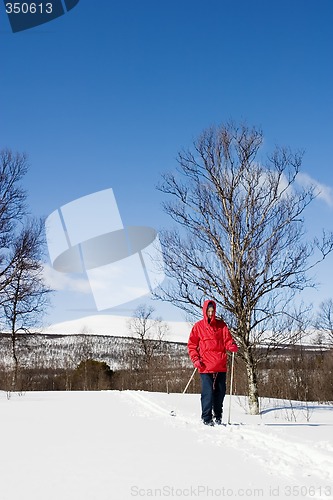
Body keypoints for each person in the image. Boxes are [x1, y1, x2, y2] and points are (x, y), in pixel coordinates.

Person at [187, 299, 238, 426]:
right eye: (208, 311)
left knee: (220, 391)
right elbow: (192, 345)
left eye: (212, 311)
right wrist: (195, 359)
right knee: (207, 392)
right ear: (204, 311)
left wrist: (231, 345)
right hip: (205, 365)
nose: (210, 313)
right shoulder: (198, 327)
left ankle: (218, 415)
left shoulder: (221, 325)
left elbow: (227, 340)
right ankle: (206, 417)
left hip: (220, 364)